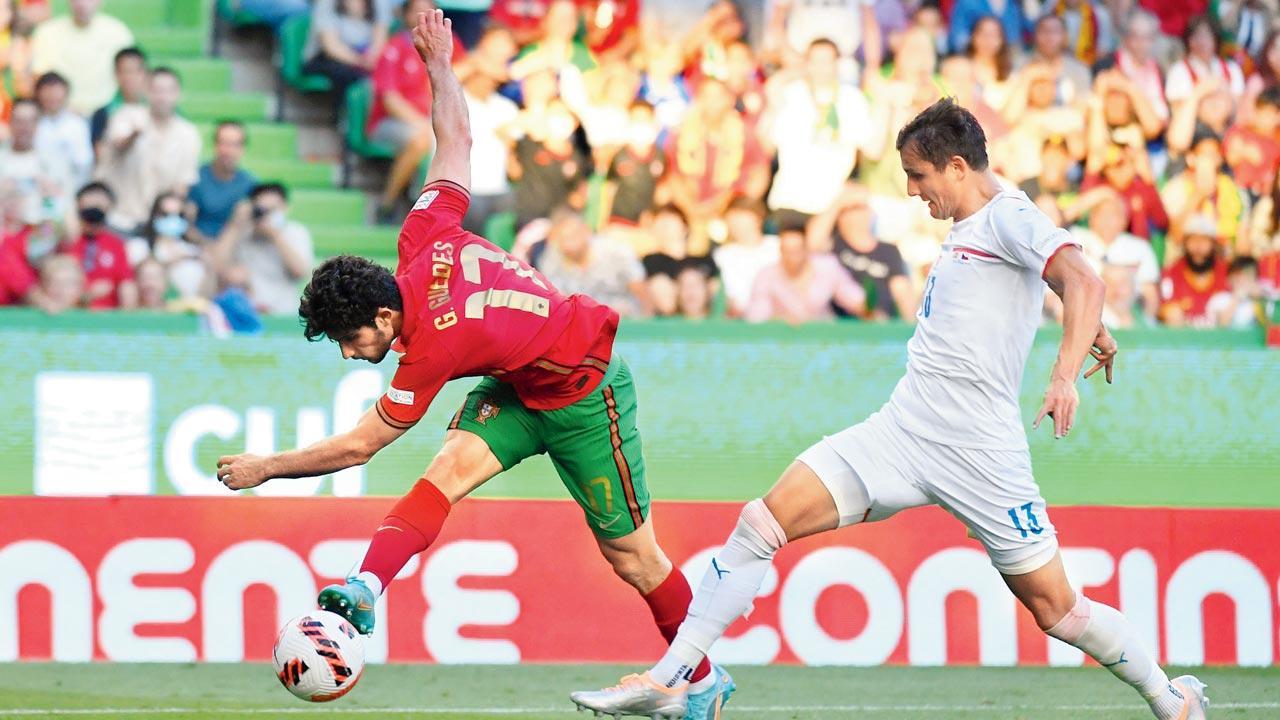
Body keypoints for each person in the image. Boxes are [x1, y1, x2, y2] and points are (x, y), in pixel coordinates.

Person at [571, 98, 1208, 720]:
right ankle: (680, 682)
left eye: (918, 175)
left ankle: (1169, 699)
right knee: (760, 523)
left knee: (1057, 610)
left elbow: (1084, 279)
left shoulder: (1009, 215)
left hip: (981, 455)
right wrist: (1085, 321)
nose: (910, 191)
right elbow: (1053, 282)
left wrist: (1066, 372)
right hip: (901, 433)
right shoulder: (978, 223)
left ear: (958, 167)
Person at [214, 13, 738, 720]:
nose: (348, 354)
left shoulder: (434, 345)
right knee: (447, 470)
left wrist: (267, 468)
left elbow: (363, 443)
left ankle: (701, 678)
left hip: (586, 392)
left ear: (385, 320)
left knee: (635, 560)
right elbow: (455, 140)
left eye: (349, 339)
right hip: (522, 382)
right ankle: (365, 586)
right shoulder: (420, 236)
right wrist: (439, 65)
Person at [95, 67, 201, 230]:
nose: (162, 97)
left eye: (168, 91)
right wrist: (135, 134)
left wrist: (170, 218)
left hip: (157, 224)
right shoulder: (126, 116)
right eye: (157, 90)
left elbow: (182, 184)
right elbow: (120, 144)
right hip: (119, 218)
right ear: (146, 91)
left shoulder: (189, 133)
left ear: (178, 93)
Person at [809, 183, 915, 321]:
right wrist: (838, 203)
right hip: (843, 325)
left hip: (880, 324)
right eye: (852, 208)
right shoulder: (835, 246)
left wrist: (910, 326)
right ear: (840, 216)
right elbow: (813, 243)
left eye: (863, 207)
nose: (860, 213)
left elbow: (902, 291)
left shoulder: (888, 250)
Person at [209, 183, 314, 316]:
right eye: (262, 211)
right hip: (245, 313)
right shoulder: (241, 232)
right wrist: (234, 225)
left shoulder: (295, 232)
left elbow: (300, 272)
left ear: (285, 208)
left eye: (273, 210)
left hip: (281, 313)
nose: (267, 216)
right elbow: (214, 266)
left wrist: (275, 236)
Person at [535, 206, 648, 317]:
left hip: (624, 321)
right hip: (580, 324)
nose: (568, 244)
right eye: (562, 238)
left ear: (586, 231)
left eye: (573, 236)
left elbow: (641, 291)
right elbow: (554, 304)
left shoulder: (615, 252)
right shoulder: (550, 261)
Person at [28, 0, 134, 116]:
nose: (82, 4)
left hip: (109, 113)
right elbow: (38, 78)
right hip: (59, 115)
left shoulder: (119, 32)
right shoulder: (46, 33)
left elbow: (131, 77)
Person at [743, 226, 866, 323]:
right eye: (787, 250)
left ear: (806, 249)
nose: (792, 256)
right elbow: (756, 316)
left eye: (797, 250)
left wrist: (868, 311)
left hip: (823, 336)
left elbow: (852, 296)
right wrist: (779, 321)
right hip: (784, 340)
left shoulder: (827, 266)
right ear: (780, 251)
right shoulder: (766, 276)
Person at [302, 0, 394, 100]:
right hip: (326, 58)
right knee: (346, 74)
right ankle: (344, 112)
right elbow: (331, 46)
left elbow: (380, 38)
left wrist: (372, 59)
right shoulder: (326, 2)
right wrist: (360, 62)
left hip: (365, 56)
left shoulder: (381, 2)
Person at [187, 120, 257, 243]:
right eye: (224, 143)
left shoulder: (250, 184)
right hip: (197, 247)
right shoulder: (195, 178)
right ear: (215, 145)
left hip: (235, 249)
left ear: (243, 148)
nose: (228, 151)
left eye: (235, 144)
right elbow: (187, 226)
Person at [1159, 213, 1230, 327]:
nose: (1198, 246)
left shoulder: (1227, 271)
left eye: (1204, 240)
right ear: (1184, 243)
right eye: (1193, 240)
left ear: (1214, 244)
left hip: (1221, 340)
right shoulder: (1171, 272)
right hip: (1184, 339)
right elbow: (1164, 310)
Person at [32, 72, 90, 190]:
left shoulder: (77, 124)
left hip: (72, 185)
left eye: (56, 92)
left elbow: (83, 161)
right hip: (39, 186)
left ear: (66, 94)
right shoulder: (33, 124)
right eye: (47, 91)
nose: (52, 96)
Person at [89, 47, 147, 150]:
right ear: (116, 74)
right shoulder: (103, 113)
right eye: (125, 71)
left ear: (145, 73)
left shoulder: (157, 111)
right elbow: (99, 153)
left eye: (135, 71)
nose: (130, 77)